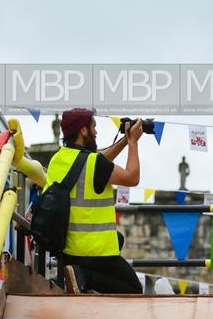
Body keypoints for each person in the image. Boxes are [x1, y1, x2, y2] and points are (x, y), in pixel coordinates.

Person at [47, 107, 144, 294]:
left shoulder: (58, 159)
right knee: (133, 288)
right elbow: (132, 177)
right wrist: (133, 143)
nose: (96, 131)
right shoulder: (94, 164)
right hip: (90, 250)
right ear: (83, 130)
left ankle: (79, 278)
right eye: (94, 127)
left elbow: (93, 161)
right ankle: (83, 277)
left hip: (65, 248)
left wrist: (124, 140)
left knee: (118, 239)